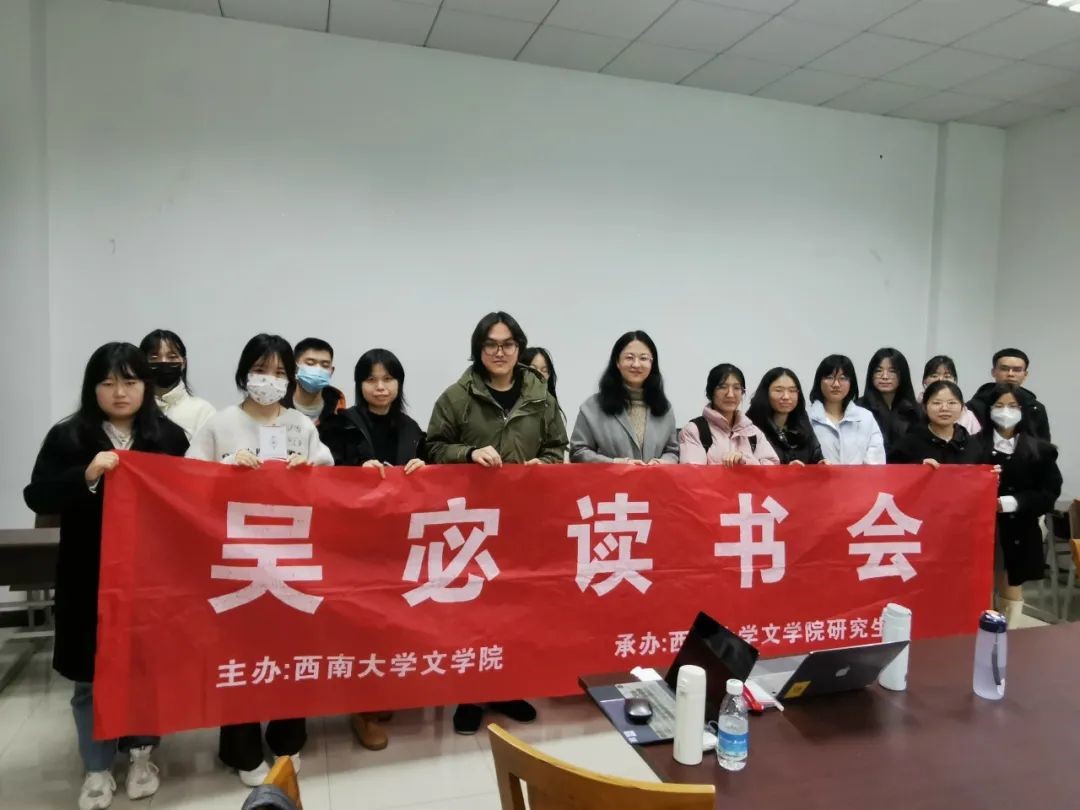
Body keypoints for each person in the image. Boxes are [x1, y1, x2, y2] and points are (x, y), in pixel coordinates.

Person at [24, 343, 188, 810]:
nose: (119, 392)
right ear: (92, 387)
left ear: (146, 387)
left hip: (151, 576)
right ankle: (96, 768)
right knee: (90, 675)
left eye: (130, 382)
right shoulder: (68, 436)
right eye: (108, 382)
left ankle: (141, 756)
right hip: (86, 575)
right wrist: (87, 474)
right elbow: (37, 495)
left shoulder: (168, 436)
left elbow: (191, 499)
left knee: (145, 671)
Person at [186, 334, 333, 784]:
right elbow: (185, 482)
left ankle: (288, 740)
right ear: (244, 372)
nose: (269, 380)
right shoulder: (220, 423)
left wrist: (308, 472)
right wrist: (225, 469)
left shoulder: (300, 425)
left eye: (279, 372)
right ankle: (242, 749)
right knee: (240, 655)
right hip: (237, 559)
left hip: (290, 557)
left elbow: (332, 483)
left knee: (291, 650)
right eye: (260, 370)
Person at [426, 312, 567, 735]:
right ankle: (469, 695)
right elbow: (433, 447)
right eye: (491, 344)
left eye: (508, 344)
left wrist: (545, 463)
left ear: (519, 347)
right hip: (471, 522)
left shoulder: (540, 396)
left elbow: (557, 446)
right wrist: (468, 454)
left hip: (525, 520)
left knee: (515, 608)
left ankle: (506, 687)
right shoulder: (457, 396)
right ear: (479, 349)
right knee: (471, 610)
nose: (500, 352)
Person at [319, 348, 426, 751]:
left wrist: (425, 469)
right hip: (354, 543)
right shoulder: (341, 424)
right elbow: (323, 475)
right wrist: (353, 473)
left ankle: (380, 694)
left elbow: (432, 475)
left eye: (388, 379)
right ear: (359, 384)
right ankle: (361, 711)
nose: (380, 388)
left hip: (398, 542)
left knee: (391, 624)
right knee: (361, 627)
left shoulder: (412, 428)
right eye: (371, 380)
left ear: (399, 383)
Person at [974, 383, 1062, 628]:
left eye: (1013, 406)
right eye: (999, 405)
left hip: (1019, 527)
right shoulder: (973, 445)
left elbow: (1049, 493)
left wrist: (1011, 503)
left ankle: (1010, 634)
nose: (1005, 411)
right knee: (980, 584)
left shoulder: (1041, 450)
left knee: (1011, 583)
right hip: (980, 528)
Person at [570, 331, 678, 464]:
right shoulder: (592, 407)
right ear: (617, 362)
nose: (636, 364)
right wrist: (616, 463)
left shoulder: (664, 408)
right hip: (609, 478)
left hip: (653, 478)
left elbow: (672, 451)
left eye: (643, 358)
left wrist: (661, 463)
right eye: (629, 357)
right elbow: (578, 452)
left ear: (652, 363)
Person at [679, 363, 779, 466]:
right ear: (711, 392)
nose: (730, 394)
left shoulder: (753, 432)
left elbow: (772, 468)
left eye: (737, 388)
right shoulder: (694, 430)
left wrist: (745, 460)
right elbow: (693, 472)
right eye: (722, 387)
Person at [139, 328, 216, 439]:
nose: (164, 362)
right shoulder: (131, 409)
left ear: (183, 363)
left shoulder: (203, 411)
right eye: (154, 357)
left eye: (172, 357)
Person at [808, 354, 885, 465]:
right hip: (817, 477)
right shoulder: (806, 418)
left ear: (851, 383)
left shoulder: (866, 418)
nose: (836, 384)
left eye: (843, 378)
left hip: (860, 477)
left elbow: (876, 462)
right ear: (819, 381)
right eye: (829, 377)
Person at [888, 381, 981, 466]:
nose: (944, 408)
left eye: (952, 403)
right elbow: (892, 471)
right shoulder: (908, 443)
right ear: (924, 407)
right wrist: (917, 466)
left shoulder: (972, 444)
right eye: (937, 403)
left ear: (962, 407)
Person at [745, 367, 825, 465]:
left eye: (792, 390)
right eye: (779, 390)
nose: (786, 397)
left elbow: (816, 457)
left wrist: (821, 464)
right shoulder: (750, 427)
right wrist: (786, 470)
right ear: (766, 393)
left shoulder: (803, 423)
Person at [967, 348, 1051, 441]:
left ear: (1025, 374)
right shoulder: (974, 406)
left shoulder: (1036, 408)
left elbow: (1044, 445)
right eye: (1004, 369)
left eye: (1017, 370)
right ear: (993, 372)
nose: (1010, 374)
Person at [856, 348, 919, 452]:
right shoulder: (859, 408)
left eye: (892, 371)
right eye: (878, 371)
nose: (885, 377)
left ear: (903, 374)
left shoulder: (914, 410)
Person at [286, 337, 346, 426]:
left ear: (331, 372)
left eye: (325, 365)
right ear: (294, 368)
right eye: (310, 363)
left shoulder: (339, 414)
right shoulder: (276, 408)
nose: (318, 369)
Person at [919, 355, 981, 437]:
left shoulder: (968, 416)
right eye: (934, 376)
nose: (941, 379)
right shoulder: (915, 410)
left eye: (947, 376)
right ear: (924, 380)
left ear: (954, 380)